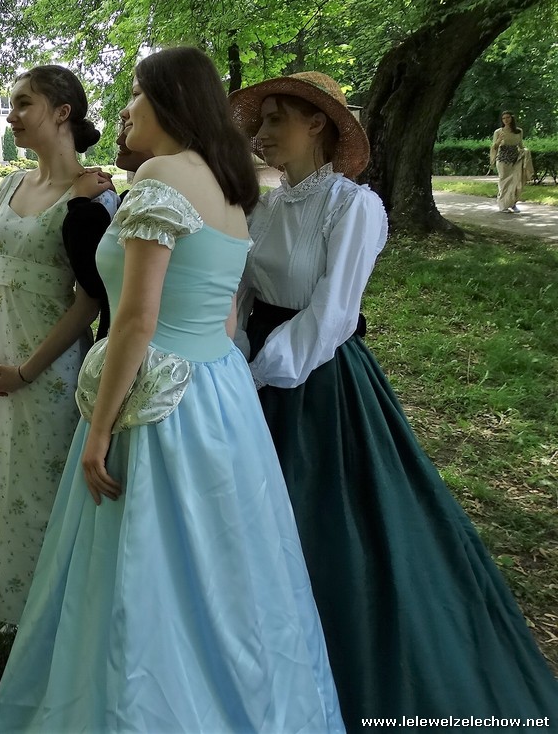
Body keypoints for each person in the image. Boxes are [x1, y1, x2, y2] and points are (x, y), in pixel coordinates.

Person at [0, 48, 343, 732]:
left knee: (143, 566)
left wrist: (97, 431)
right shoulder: (230, 187)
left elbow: (136, 320)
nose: (125, 110)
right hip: (221, 396)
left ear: (170, 101)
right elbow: (227, 316)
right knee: (225, 566)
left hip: (159, 403)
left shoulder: (161, 177)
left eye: (135, 94)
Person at [230, 72, 558, 729]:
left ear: (318, 124)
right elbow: (242, 296)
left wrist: (258, 373)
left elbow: (333, 315)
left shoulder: (352, 206)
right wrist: (232, 362)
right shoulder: (263, 208)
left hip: (318, 380)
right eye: (259, 123)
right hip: (251, 372)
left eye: (275, 120)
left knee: (330, 524)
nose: (260, 135)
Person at [0, 65, 119, 627]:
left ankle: (60, 622)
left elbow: (90, 299)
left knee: (51, 493)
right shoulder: (9, 185)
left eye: (23, 103)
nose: (10, 116)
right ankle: (20, 615)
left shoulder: (95, 196)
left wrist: (27, 371)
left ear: (62, 112)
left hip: (51, 370)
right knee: (8, 490)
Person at [62, 118, 156, 339]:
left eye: (131, 127)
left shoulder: (154, 206)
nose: (119, 139)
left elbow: (95, 283)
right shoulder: (139, 199)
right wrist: (113, 203)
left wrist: (79, 202)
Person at [491, 110, 531, 213]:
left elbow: (520, 146)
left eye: (508, 117)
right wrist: (499, 140)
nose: (506, 120)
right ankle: (503, 205)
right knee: (504, 182)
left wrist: (526, 151)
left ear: (512, 118)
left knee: (516, 182)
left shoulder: (519, 131)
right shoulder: (498, 132)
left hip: (515, 160)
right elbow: (494, 147)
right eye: (503, 118)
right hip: (502, 159)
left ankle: (513, 204)